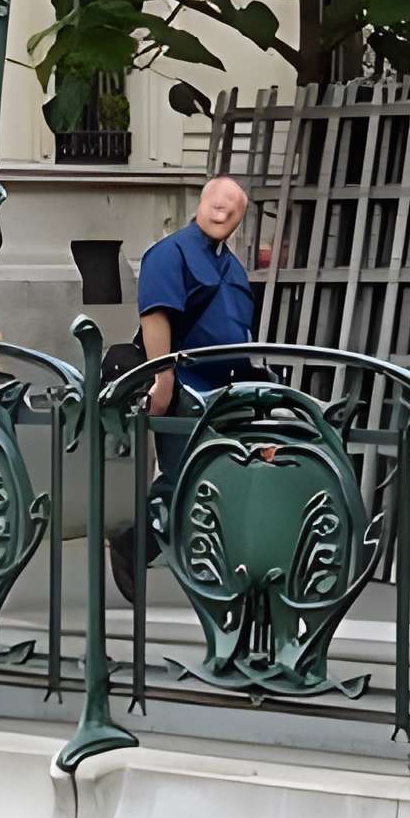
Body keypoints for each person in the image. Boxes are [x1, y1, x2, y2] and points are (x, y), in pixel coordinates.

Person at [110, 175, 274, 598]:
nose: (221, 212)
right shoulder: (170, 254)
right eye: (215, 203)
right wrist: (162, 377)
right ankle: (137, 540)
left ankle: (217, 561)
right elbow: (157, 314)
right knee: (187, 477)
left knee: (223, 474)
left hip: (228, 387)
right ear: (201, 205)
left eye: (232, 207)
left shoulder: (231, 265)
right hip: (188, 384)